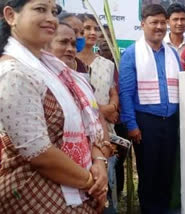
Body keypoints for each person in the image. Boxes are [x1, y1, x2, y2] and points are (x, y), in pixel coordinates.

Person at [0, 0, 111, 213]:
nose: (51, 18)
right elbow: (40, 153)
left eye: (53, 11)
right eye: (40, 9)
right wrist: (93, 184)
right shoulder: (14, 73)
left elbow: (90, 125)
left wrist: (98, 161)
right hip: (35, 197)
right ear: (11, 16)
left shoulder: (58, 71)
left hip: (79, 192)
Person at [119, 4, 180, 214]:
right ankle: (149, 209)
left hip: (171, 121)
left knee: (167, 169)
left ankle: (164, 208)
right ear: (143, 24)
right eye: (154, 22)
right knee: (148, 170)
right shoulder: (131, 54)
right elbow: (125, 93)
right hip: (146, 122)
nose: (159, 27)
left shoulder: (173, 54)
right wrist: (132, 125)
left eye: (163, 22)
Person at [77, 14, 119, 131]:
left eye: (96, 29)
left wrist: (112, 108)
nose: (93, 32)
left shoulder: (107, 64)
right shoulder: (70, 62)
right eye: (87, 28)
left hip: (105, 126)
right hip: (80, 126)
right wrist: (102, 111)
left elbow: (113, 93)